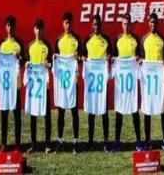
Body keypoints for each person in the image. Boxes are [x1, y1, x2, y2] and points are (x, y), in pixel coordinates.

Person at [108, 13, 143, 152]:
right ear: (121, 25)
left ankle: (139, 141)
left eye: (128, 24)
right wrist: (111, 59)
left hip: (132, 82)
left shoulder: (136, 39)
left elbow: (139, 56)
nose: (126, 26)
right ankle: (117, 141)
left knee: (135, 111)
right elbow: (113, 57)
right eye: (123, 24)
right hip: (120, 83)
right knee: (119, 111)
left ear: (131, 25)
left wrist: (138, 59)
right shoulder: (117, 39)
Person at [0, 15, 25, 152]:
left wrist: (20, 58)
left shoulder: (19, 43)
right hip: (4, 86)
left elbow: (24, 61)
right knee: (4, 115)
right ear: (5, 27)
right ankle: (3, 144)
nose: (10, 28)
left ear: (15, 27)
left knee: (17, 116)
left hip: (16, 85)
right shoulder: (1, 44)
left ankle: (17, 143)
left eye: (12, 25)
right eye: (8, 25)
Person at [141, 13, 164, 152]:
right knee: (147, 111)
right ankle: (147, 141)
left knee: (163, 110)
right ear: (149, 23)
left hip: (158, 81)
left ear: (158, 24)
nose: (153, 24)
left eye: (155, 22)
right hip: (148, 81)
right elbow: (141, 58)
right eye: (151, 22)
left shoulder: (163, 39)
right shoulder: (144, 39)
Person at [54, 12, 82, 153]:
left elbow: (82, 58)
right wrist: (54, 57)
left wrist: (78, 58)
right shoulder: (58, 40)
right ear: (62, 24)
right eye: (66, 22)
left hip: (72, 82)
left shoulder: (77, 39)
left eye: (70, 22)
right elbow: (54, 58)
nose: (68, 25)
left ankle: (76, 141)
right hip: (62, 83)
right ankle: (60, 141)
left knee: (74, 112)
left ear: (72, 23)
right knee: (61, 113)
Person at [83, 14, 111, 151]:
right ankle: (90, 142)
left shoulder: (106, 40)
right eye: (94, 24)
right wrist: (83, 58)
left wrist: (108, 57)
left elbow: (111, 55)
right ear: (91, 25)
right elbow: (82, 55)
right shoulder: (87, 40)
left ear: (101, 25)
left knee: (104, 112)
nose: (96, 27)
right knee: (92, 112)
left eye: (98, 24)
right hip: (91, 83)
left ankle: (106, 141)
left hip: (102, 82)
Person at [25, 18, 52, 154]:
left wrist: (49, 65)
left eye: (40, 28)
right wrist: (26, 64)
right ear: (34, 29)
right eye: (36, 28)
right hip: (33, 86)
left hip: (44, 85)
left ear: (43, 30)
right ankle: (33, 143)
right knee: (33, 115)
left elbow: (51, 63)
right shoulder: (30, 46)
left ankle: (47, 144)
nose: (38, 31)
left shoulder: (47, 46)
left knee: (47, 115)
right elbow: (25, 62)